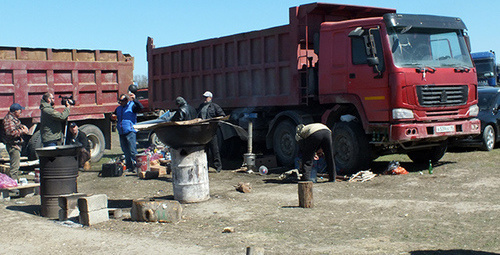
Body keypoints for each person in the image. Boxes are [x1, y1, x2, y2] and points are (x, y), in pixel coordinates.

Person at [112, 91, 143, 172]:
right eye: (120, 101)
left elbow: (141, 107)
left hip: (130, 131)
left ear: (126, 100)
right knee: (125, 151)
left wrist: (135, 99)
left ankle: (137, 167)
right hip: (121, 132)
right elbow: (113, 116)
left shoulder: (132, 106)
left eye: (122, 101)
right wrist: (111, 117)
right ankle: (129, 167)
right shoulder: (118, 108)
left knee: (133, 151)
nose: (120, 102)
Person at [197, 91, 225, 172]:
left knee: (214, 150)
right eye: (204, 97)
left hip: (212, 132)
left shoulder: (215, 106)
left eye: (206, 97)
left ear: (210, 98)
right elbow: (198, 116)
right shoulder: (201, 106)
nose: (205, 99)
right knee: (204, 150)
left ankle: (218, 167)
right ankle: (206, 166)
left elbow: (222, 116)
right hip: (203, 132)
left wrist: (216, 124)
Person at [2, 103, 29, 181]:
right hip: (13, 146)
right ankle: (13, 187)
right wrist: (22, 131)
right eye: (20, 110)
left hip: (16, 145)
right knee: (14, 168)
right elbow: (10, 133)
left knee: (15, 166)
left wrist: (22, 127)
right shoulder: (9, 120)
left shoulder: (13, 119)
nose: (21, 112)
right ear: (15, 111)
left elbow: (16, 126)